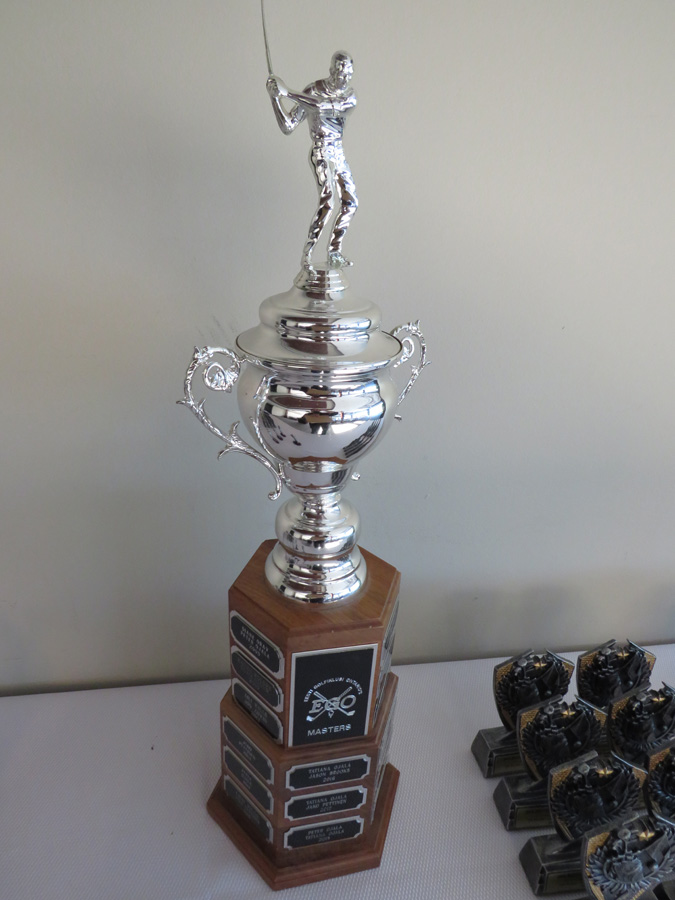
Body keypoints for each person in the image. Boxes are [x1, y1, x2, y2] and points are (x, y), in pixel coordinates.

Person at [266, 51, 358, 271]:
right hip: (321, 151)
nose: (344, 79)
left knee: (350, 202)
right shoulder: (313, 90)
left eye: (349, 74)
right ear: (331, 70)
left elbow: (323, 106)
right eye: (341, 73)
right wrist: (275, 98)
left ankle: (334, 251)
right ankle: (307, 254)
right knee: (328, 202)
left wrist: (287, 92)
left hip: (338, 152)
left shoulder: (349, 97)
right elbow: (288, 126)